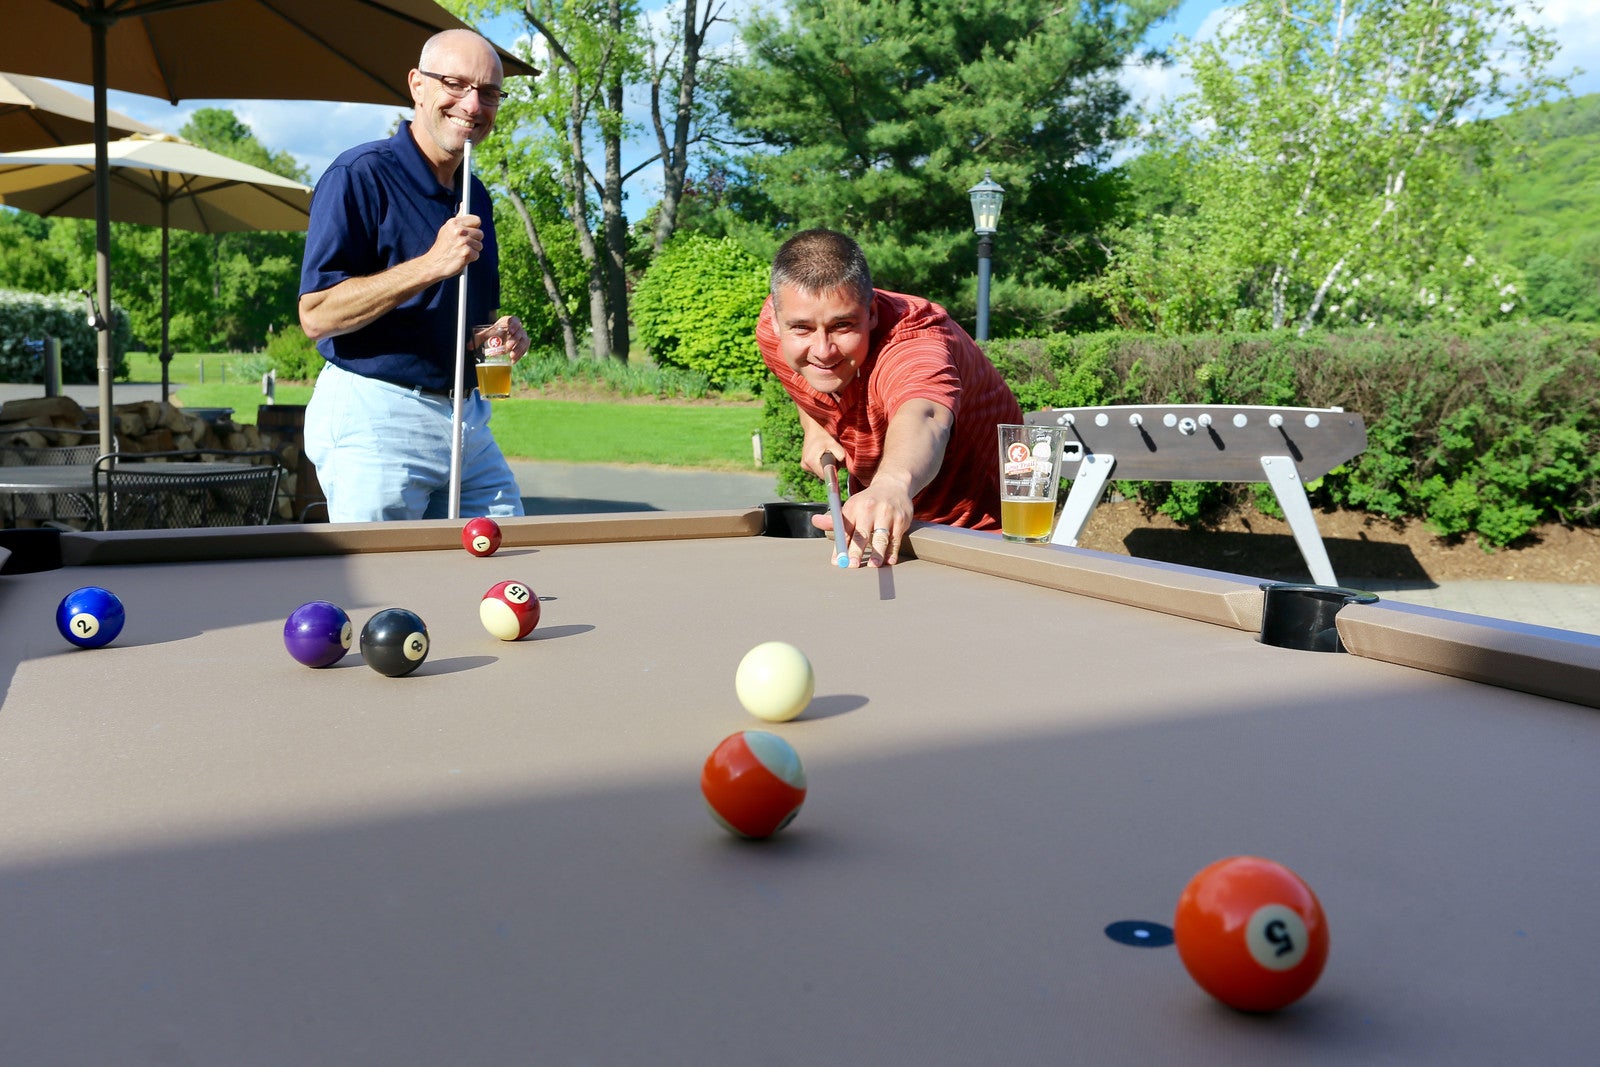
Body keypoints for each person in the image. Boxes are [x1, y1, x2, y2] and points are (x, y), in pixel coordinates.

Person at [298, 29, 528, 522]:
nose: (472, 104)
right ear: (417, 85)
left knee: (507, 551)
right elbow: (316, 315)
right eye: (455, 84)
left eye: (489, 93)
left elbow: (467, 320)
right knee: (384, 580)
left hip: (467, 418)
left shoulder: (475, 193)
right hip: (377, 414)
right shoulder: (359, 175)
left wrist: (495, 337)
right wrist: (430, 264)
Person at [756, 228, 1024, 567]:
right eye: (802, 329)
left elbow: (925, 413)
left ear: (871, 314)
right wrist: (815, 425)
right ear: (777, 322)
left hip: (978, 541)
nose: (822, 351)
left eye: (842, 326)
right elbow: (800, 375)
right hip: (877, 531)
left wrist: (893, 484)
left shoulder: (914, 340)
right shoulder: (774, 329)